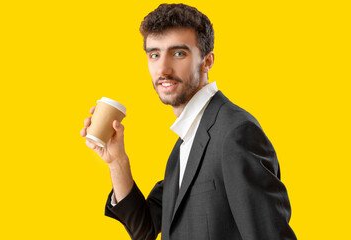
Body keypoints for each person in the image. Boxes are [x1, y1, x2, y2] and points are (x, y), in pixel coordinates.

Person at [80, 3, 297, 240]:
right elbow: (146, 228)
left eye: (178, 53)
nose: (163, 68)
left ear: (207, 61)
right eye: (154, 54)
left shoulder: (235, 134)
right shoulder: (186, 142)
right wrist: (117, 161)